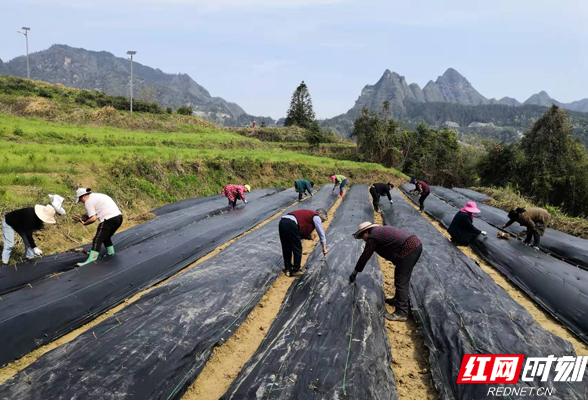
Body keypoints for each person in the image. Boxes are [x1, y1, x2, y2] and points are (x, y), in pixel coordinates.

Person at [349, 222, 422, 322]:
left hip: (410, 248)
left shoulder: (373, 237)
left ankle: (402, 312)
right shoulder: (379, 231)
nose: (363, 239)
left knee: (402, 279)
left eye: (362, 236)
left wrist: (354, 272)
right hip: (413, 244)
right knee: (399, 275)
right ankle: (397, 300)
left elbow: (365, 256)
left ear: (366, 232)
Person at [76, 188, 123, 266]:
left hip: (108, 219)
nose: (81, 202)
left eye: (80, 200)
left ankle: (91, 260)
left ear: (83, 196)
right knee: (106, 237)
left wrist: (85, 223)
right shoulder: (97, 196)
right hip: (118, 218)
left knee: (97, 239)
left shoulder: (88, 201)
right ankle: (111, 254)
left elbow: (93, 218)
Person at [278, 208, 328, 276]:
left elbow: (300, 232)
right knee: (297, 248)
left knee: (286, 246)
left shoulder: (308, 215)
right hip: (291, 224)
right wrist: (324, 248)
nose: (320, 222)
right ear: (320, 214)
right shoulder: (316, 216)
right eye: (322, 221)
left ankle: (288, 268)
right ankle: (296, 270)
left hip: (282, 222)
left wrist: (309, 236)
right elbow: (321, 233)